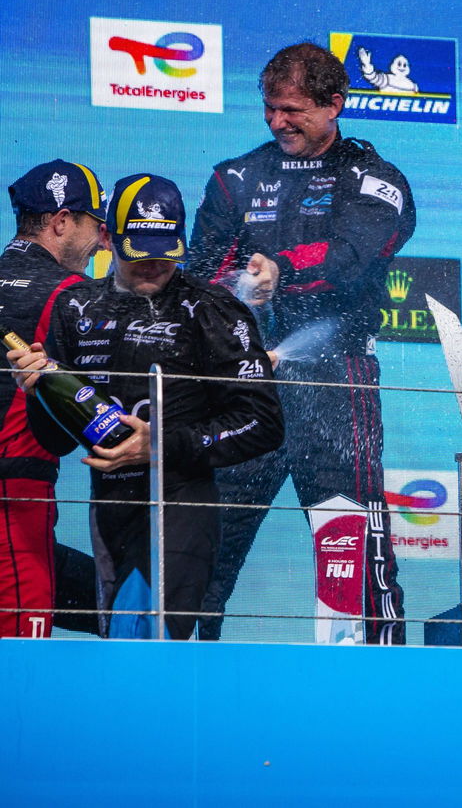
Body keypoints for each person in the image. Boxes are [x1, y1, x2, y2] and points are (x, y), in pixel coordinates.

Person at [188, 42, 415, 644]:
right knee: (208, 541)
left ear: (335, 104)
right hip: (244, 382)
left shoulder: (376, 180)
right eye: (269, 109)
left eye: (292, 110)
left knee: (349, 539)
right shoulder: (235, 177)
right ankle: (183, 677)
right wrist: (237, 290)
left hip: (334, 380)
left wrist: (279, 270)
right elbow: (200, 272)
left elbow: (352, 257)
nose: (277, 122)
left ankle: (365, 682)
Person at [10, 173, 283, 640]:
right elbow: (54, 439)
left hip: (180, 504)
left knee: (150, 644)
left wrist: (158, 445)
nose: (154, 264)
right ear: (107, 237)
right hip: (108, 509)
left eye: (165, 251)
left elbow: (263, 422)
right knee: (118, 646)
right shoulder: (75, 306)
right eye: (140, 252)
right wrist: (38, 391)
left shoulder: (211, 308)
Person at [1, 160, 108, 638]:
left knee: (108, 601)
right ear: (62, 221)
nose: (104, 240)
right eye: (97, 225)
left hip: (20, 508)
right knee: (21, 668)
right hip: (14, 503)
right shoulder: (74, 294)